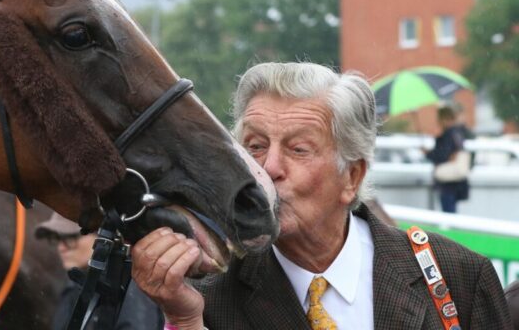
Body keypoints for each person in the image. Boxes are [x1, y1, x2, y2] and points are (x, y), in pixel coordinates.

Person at [131, 62, 511, 329]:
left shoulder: (456, 275)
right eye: (255, 146)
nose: (269, 167)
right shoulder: (204, 295)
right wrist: (185, 321)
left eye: (299, 149)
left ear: (352, 176)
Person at [35, 212, 165, 330]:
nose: (61, 248)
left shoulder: (133, 284)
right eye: (57, 239)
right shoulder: (74, 285)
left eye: (70, 238)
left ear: (104, 237)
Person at [425, 105, 473, 213]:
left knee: (448, 211)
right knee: (451, 210)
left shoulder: (448, 134)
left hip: (448, 182)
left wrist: (428, 153)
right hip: (457, 180)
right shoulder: (458, 133)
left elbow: (442, 155)